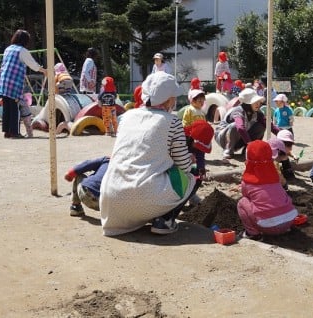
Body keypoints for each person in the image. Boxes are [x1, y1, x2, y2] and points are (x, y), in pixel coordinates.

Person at [99, 71, 201, 236]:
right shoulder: (172, 121)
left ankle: (145, 214)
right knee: (194, 173)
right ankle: (165, 219)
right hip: (145, 197)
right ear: (169, 99)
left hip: (112, 200)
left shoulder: (125, 117)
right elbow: (184, 165)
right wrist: (189, 160)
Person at [237, 140, 298, 241]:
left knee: (242, 202)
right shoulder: (275, 176)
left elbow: (247, 196)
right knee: (280, 196)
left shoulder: (248, 181)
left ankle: (252, 234)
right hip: (289, 221)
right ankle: (283, 227)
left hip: (267, 226)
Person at [0, 29, 47, 139]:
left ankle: (7, 131)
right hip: (14, 83)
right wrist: (44, 71)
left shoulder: (8, 49)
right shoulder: (22, 51)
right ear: (25, 40)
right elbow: (33, 65)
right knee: (15, 108)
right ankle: (14, 132)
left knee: (7, 107)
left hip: (4, 81)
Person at [214, 87, 280, 160]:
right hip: (223, 138)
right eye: (255, 102)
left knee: (261, 126)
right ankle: (228, 149)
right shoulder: (238, 111)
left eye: (259, 102)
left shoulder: (257, 112)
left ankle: (246, 150)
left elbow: (268, 124)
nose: (258, 104)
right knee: (235, 126)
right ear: (247, 103)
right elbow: (240, 128)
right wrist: (250, 144)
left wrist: (282, 134)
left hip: (240, 138)